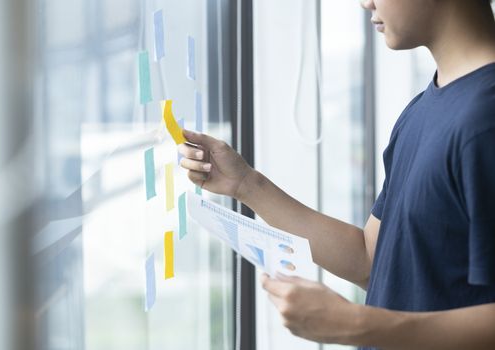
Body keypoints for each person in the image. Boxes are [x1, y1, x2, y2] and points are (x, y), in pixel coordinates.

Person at [178, 0, 495, 348]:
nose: (365, 2)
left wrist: (358, 324)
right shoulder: (423, 109)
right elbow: (370, 259)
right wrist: (245, 185)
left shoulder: (485, 122)